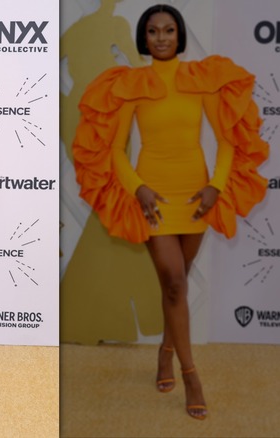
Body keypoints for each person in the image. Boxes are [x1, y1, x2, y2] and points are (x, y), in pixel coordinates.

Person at [73, 4, 268, 420]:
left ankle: (165, 351)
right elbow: (115, 150)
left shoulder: (201, 79)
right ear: (144, 38)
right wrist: (138, 189)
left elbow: (227, 141)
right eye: (153, 31)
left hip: (196, 196)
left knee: (172, 285)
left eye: (168, 30)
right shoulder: (131, 83)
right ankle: (191, 374)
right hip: (154, 198)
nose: (161, 38)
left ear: (179, 35)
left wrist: (216, 187)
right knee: (176, 283)